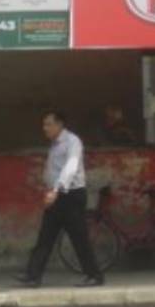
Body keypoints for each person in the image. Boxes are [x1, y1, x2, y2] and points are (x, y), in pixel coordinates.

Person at [15, 110, 105, 289]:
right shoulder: (55, 145)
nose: (45, 128)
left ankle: (94, 275)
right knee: (45, 236)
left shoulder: (72, 142)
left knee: (79, 238)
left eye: (48, 124)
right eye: (44, 124)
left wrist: (56, 190)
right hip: (57, 195)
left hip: (71, 195)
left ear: (59, 124)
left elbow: (70, 168)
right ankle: (33, 276)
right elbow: (53, 169)